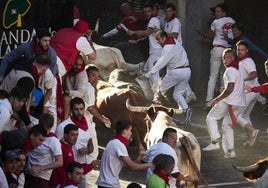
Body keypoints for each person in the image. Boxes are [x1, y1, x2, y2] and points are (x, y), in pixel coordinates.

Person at [202, 48, 246, 158]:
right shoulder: (239, 67)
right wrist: (225, 88)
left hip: (230, 101)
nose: (224, 60)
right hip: (240, 103)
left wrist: (217, 99)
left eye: (227, 57)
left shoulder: (230, 70)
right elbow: (233, 85)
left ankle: (214, 142)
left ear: (232, 58)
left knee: (210, 118)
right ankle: (231, 152)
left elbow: (230, 88)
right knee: (227, 126)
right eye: (223, 58)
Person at [145, 31, 193, 126]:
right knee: (177, 94)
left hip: (176, 72)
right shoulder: (174, 41)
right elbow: (167, 58)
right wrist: (158, 62)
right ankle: (187, 110)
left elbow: (163, 61)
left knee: (159, 90)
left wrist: (149, 73)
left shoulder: (167, 47)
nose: (158, 42)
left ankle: (160, 115)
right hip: (187, 71)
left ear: (164, 38)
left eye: (158, 39)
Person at [198, 3, 236, 109]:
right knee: (224, 76)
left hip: (217, 49)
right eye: (216, 12)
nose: (216, 14)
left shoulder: (215, 22)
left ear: (224, 12)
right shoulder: (232, 21)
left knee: (213, 76)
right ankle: (223, 101)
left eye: (218, 12)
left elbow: (210, 36)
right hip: (228, 51)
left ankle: (209, 101)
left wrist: (200, 32)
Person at [96, 120, 152, 188]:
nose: (131, 133)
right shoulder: (119, 145)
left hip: (104, 183)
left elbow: (122, 164)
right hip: (109, 184)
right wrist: (150, 164)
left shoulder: (112, 142)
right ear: (125, 131)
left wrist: (137, 160)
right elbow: (132, 166)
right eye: (130, 130)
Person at [126, 4, 162, 101]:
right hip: (154, 51)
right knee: (145, 69)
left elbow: (147, 33)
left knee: (153, 74)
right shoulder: (153, 20)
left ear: (153, 10)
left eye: (148, 11)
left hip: (156, 51)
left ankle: (157, 97)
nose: (146, 14)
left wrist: (132, 32)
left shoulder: (153, 20)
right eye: (145, 12)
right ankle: (149, 95)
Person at [25, 113, 63, 188]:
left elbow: (59, 162)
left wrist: (40, 168)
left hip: (41, 179)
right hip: (27, 174)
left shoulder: (53, 141)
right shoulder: (34, 133)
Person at [84, 65, 111, 162]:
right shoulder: (89, 87)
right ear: (87, 76)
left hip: (85, 120)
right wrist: (102, 119)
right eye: (93, 75)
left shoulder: (84, 85)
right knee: (93, 152)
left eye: (97, 76)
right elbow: (90, 107)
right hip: (86, 121)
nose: (96, 79)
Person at [235, 40, 260, 147]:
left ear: (247, 50)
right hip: (253, 92)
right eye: (238, 50)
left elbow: (254, 74)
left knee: (236, 115)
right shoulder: (242, 61)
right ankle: (251, 140)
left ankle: (253, 131)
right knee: (245, 115)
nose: (240, 52)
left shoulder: (247, 61)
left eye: (242, 50)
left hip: (250, 91)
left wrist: (243, 80)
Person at [62, 55, 88, 119]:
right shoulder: (68, 70)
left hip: (80, 99)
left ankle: (64, 120)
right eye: (76, 64)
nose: (78, 67)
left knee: (66, 99)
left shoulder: (82, 75)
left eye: (80, 65)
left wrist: (67, 92)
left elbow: (80, 93)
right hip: (70, 95)